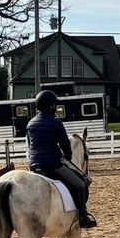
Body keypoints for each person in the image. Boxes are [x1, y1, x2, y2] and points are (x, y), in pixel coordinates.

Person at [25, 88, 96, 228]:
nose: (56, 108)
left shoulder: (30, 123)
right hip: (52, 164)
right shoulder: (55, 123)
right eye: (55, 106)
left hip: (33, 165)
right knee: (80, 184)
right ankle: (82, 216)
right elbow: (65, 145)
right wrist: (68, 156)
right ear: (51, 106)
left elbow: (29, 145)